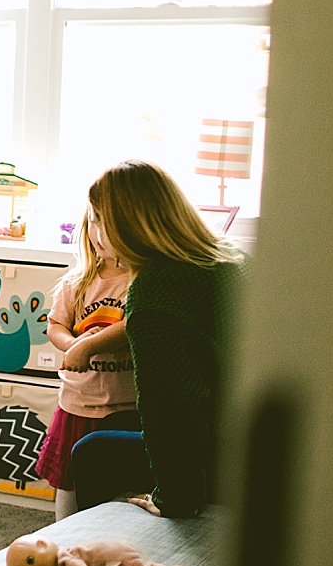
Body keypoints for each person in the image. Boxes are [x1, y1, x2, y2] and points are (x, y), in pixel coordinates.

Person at [70, 160, 246, 519]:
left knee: (91, 452)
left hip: (231, 448)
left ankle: (106, 553)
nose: (93, 230)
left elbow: (170, 407)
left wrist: (174, 498)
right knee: (115, 425)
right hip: (248, 425)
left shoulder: (156, 291)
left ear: (129, 224)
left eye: (99, 219)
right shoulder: (227, 258)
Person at [36, 205, 139, 520]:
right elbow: (55, 326)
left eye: (111, 225)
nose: (100, 234)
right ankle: (64, 537)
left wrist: (91, 346)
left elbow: (134, 323)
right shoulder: (77, 282)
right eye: (95, 223)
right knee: (69, 487)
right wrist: (73, 346)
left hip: (126, 405)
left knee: (122, 494)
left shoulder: (140, 281)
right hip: (79, 404)